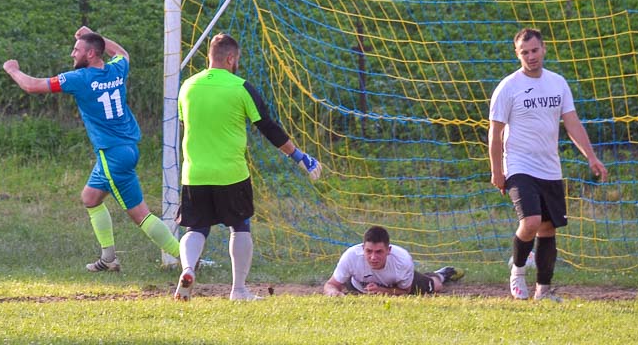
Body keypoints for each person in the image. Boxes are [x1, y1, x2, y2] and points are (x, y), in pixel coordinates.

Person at [3, 26, 180, 272]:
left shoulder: (79, 79)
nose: (72, 54)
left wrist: (12, 69)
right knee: (90, 197)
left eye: (76, 50)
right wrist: (95, 34)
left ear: (90, 54)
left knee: (140, 215)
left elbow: (32, 86)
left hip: (112, 154)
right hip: (126, 148)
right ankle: (108, 259)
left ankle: (186, 258)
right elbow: (122, 52)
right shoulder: (117, 69)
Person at [174, 32, 322, 301]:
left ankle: (187, 269)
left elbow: (185, 127)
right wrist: (299, 156)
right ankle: (239, 290)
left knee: (195, 228)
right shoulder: (241, 87)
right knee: (239, 226)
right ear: (231, 58)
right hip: (231, 174)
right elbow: (267, 127)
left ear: (210, 56)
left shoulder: (187, 86)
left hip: (193, 173)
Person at [488, 27, 608, 301]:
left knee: (547, 227)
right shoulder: (508, 87)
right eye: (524, 52)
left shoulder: (558, 83)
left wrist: (591, 156)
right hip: (518, 165)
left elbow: (572, 123)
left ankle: (543, 290)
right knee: (530, 221)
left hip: (550, 167)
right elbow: (494, 133)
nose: (531, 56)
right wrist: (497, 169)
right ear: (517, 54)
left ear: (543, 49)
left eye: (534, 50)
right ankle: (517, 271)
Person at [323, 225, 464, 297]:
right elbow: (330, 284)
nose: (373, 257)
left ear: (388, 250)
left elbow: (405, 291)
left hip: (396, 285)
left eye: (379, 252)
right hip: (357, 286)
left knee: (435, 286)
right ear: (362, 248)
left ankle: (441, 274)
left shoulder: (402, 260)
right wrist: (333, 293)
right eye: (368, 251)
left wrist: (382, 291)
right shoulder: (351, 256)